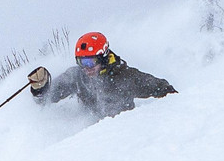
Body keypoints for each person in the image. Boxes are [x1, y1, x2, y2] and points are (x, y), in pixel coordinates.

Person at [27, 32, 176, 122]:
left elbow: (162, 88)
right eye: (81, 62)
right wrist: (40, 88)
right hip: (92, 138)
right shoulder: (77, 77)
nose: (86, 68)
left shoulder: (125, 77)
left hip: (124, 136)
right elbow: (47, 98)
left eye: (90, 62)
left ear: (103, 58)